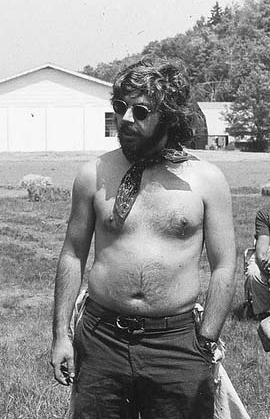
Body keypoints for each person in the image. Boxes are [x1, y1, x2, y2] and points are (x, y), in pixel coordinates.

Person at [50, 58, 236, 418]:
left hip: (176, 344)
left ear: (168, 116)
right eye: (120, 108)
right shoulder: (94, 175)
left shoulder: (206, 180)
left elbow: (225, 266)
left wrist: (206, 340)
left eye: (141, 110)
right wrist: (61, 335)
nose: (126, 119)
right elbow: (72, 254)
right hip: (102, 338)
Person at [246, 207, 270, 351]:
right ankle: (264, 313)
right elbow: (261, 250)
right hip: (268, 254)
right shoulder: (265, 214)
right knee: (254, 273)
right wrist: (266, 264)